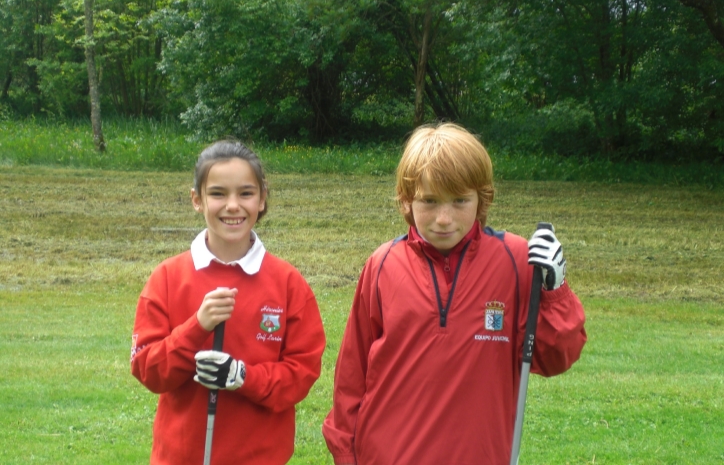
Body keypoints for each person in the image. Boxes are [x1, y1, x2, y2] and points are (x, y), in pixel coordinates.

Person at [322, 123, 586, 465]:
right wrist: (345, 454)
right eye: (429, 201)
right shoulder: (382, 264)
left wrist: (555, 289)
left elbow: (553, 359)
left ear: (482, 198)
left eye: (460, 200)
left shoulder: (515, 260)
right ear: (406, 200)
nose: (444, 219)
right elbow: (351, 376)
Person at [130, 140, 325, 465]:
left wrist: (242, 376)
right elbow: (148, 370)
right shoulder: (167, 278)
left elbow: (301, 375)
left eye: (246, 193)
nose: (233, 205)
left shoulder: (288, 283)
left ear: (262, 199)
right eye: (218, 193)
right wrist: (196, 327)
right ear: (197, 199)